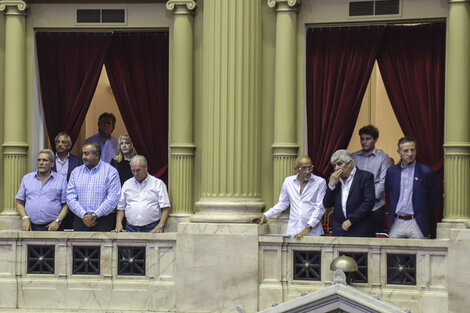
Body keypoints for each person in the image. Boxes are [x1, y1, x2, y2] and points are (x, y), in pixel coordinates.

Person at [251, 156, 327, 239]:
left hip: (313, 233)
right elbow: (282, 203)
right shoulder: (288, 182)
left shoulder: (320, 182)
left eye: (310, 168)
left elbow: (319, 208)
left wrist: (308, 228)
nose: (308, 171)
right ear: (296, 169)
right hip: (293, 232)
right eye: (304, 168)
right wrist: (265, 215)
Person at [385, 136, 438, 239]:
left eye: (412, 150)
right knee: (392, 253)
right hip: (397, 221)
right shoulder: (391, 172)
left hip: (417, 222)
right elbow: (389, 195)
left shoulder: (427, 172)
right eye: (405, 151)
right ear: (399, 152)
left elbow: (433, 200)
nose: (409, 154)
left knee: (420, 254)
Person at [66, 142, 121, 231]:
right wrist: (84, 215)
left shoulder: (110, 171)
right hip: (81, 220)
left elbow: (113, 198)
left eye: (86, 154)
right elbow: (70, 197)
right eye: (83, 154)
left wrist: (95, 215)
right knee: (79, 245)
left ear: (96, 155)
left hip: (103, 221)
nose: (83, 157)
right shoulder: (76, 172)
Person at [323, 150, 375, 237]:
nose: (336, 168)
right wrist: (331, 185)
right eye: (334, 165)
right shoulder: (335, 180)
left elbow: (368, 203)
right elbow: (327, 204)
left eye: (339, 164)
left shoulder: (365, 177)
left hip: (360, 229)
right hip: (339, 231)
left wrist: (351, 220)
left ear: (349, 163)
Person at [112, 155, 170, 233]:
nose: (135, 174)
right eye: (133, 170)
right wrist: (118, 224)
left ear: (146, 168)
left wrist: (160, 226)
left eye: (138, 170)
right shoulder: (127, 184)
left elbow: (165, 208)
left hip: (152, 228)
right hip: (130, 228)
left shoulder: (158, 184)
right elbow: (121, 208)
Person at [16, 149, 68, 231]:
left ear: (52, 163)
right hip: (30, 226)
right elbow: (19, 202)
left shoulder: (61, 180)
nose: (41, 163)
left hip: (53, 226)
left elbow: (66, 205)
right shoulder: (27, 178)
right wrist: (24, 218)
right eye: (39, 160)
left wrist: (58, 221)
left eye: (45, 160)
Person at [351, 125, 391, 234]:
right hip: (356, 207)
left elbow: (383, 182)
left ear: (375, 140)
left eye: (368, 139)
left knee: (375, 244)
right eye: (362, 139)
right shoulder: (353, 157)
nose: (364, 142)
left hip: (375, 207)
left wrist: (367, 200)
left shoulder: (383, 157)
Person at [52, 132, 83, 230]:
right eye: (58, 142)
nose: (60, 144)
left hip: (72, 200)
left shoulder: (77, 161)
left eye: (63, 142)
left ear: (69, 145)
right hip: (54, 199)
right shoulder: (49, 159)